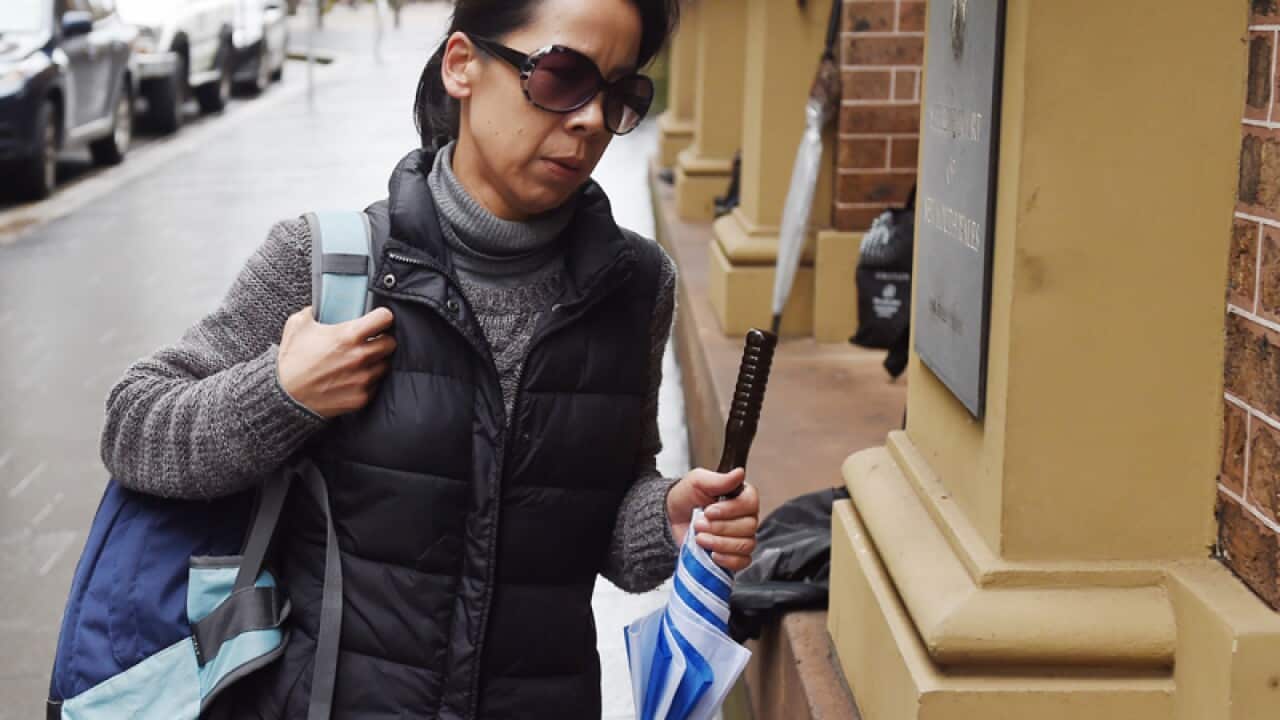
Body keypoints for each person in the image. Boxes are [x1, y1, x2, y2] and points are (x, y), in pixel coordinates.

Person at [98, 0, 761, 717]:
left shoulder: (636, 287)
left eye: (619, 92)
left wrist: (664, 519)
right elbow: (134, 425)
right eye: (563, 76)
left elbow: (597, 514)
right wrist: (282, 394)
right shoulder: (326, 266)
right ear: (462, 66)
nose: (591, 119)